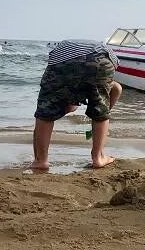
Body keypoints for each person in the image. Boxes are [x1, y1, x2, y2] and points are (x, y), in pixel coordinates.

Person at [30, 39, 121, 171]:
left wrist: (59, 109)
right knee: (100, 108)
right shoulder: (110, 64)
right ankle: (98, 157)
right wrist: (102, 111)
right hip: (102, 58)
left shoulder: (61, 49)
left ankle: (40, 160)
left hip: (64, 59)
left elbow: (67, 96)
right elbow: (116, 89)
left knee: (45, 113)